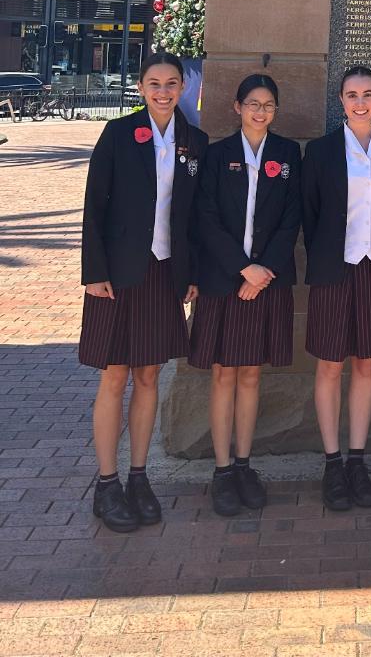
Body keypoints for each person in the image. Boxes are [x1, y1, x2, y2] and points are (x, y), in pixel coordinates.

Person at [79, 52, 208, 532]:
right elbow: (94, 207)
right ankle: (107, 483)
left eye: (171, 83)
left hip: (163, 273)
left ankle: (138, 477)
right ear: (140, 87)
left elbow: (191, 218)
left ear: (182, 89)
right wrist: (94, 271)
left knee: (150, 375)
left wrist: (189, 273)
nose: (163, 91)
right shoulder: (118, 135)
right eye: (154, 83)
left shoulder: (195, 141)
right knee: (114, 375)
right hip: (116, 273)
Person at [189, 74, 301, 516]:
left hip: (267, 280)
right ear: (237, 107)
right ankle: (221, 471)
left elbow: (292, 218)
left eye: (269, 105)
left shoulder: (288, 154)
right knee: (223, 374)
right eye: (253, 103)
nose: (261, 112)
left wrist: (263, 270)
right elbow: (206, 218)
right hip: (225, 280)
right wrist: (242, 268)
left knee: (251, 373)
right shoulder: (216, 156)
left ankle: (243, 463)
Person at [301, 66, 371, 511]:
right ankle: (332, 462)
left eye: (367, 94)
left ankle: (358, 461)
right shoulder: (322, 152)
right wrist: (326, 259)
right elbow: (309, 215)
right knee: (330, 367)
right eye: (351, 94)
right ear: (340, 101)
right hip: (335, 270)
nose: (360, 102)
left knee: (366, 366)